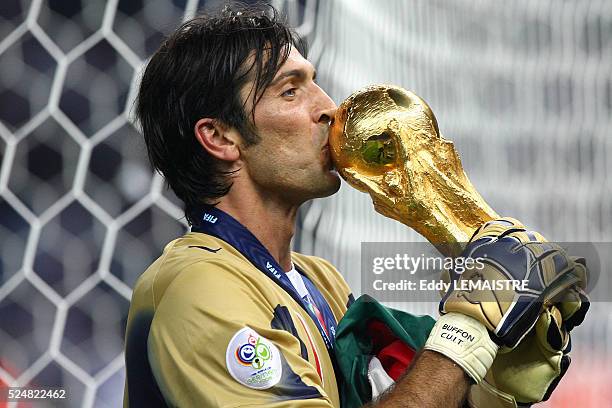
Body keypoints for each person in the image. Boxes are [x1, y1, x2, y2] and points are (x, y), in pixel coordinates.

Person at [124, 3, 587, 407]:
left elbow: (423, 394)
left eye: (315, 82)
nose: (328, 107)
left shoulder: (319, 282)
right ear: (220, 137)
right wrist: (466, 327)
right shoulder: (198, 288)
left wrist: (503, 362)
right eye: (291, 91)